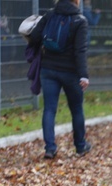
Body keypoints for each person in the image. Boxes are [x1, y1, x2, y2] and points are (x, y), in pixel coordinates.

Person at [29, 0, 92, 159]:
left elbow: (34, 37)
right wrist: (83, 75)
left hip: (48, 70)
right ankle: (80, 146)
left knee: (49, 109)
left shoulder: (49, 15)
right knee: (76, 109)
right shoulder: (80, 21)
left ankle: (50, 148)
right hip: (71, 73)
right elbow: (80, 51)